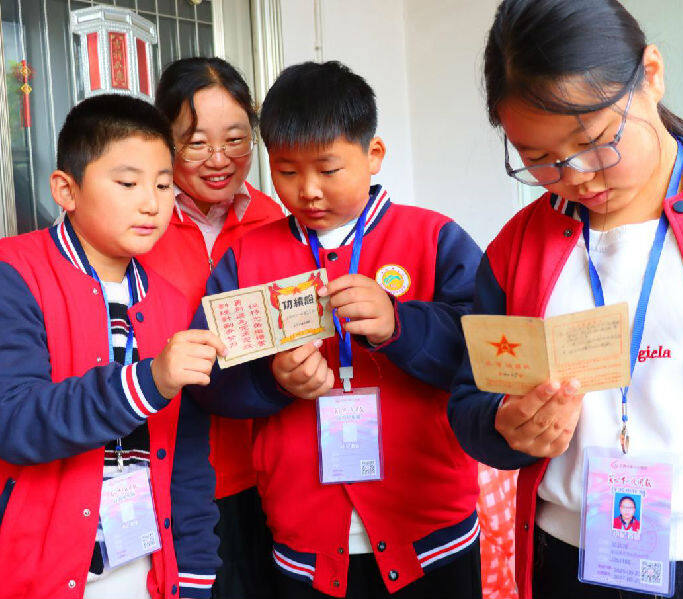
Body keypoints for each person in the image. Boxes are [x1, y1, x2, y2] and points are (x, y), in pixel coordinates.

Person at [447, 1, 683, 598]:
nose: (575, 177)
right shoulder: (515, 251)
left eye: (595, 143)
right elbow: (470, 401)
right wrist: (505, 425)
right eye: (538, 160)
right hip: (566, 562)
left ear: (651, 74)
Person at [189, 60, 483, 598]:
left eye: (328, 169)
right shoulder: (245, 256)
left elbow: (484, 355)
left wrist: (401, 324)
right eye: (286, 171)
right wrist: (273, 382)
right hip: (303, 531)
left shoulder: (432, 235)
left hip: (430, 526)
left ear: (373, 156)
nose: (308, 191)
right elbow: (207, 378)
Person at [0, 94, 226, 599]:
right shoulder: (9, 275)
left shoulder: (173, 303)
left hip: (144, 571)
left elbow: (186, 455)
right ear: (66, 190)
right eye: (128, 183)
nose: (152, 204)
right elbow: (12, 421)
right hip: (25, 572)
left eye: (162, 185)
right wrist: (148, 380)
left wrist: (194, 573)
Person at [141, 56, 284, 599]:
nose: (220, 160)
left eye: (238, 139)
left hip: (269, 471)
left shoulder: (277, 221)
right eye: (196, 143)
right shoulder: (140, 224)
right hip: (171, 475)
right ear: (164, 140)